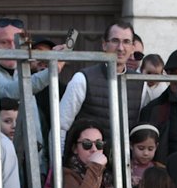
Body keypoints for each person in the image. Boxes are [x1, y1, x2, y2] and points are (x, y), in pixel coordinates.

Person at [0, 17, 56, 175]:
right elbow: (8, 92)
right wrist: (53, 69)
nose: (11, 47)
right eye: (5, 42)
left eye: (17, 42)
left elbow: (37, 127)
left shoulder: (22, 74)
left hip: (32, 168)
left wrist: (42, 166)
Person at [58, 21, 144, 152]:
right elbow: (61, 126)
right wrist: (59, 165)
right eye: (115, 41)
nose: (121, 48)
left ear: (133, 48)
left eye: (126, 42)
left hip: (125, 164)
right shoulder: (82, 79)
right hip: (87, 165)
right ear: (104, 44)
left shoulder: (140, 83)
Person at [45, 118, 115, 188]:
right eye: (87, 144)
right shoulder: (66, 174)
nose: (94, 149)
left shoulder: (110, 175)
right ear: (74, 148)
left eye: (99, 144)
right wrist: (95, 166)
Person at [128, 123, 161, 188]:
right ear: (131, 145)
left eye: (150, 149)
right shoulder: (124, 168)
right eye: (141, 148)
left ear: (156, 147)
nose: (146, 153)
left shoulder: (160, 170)